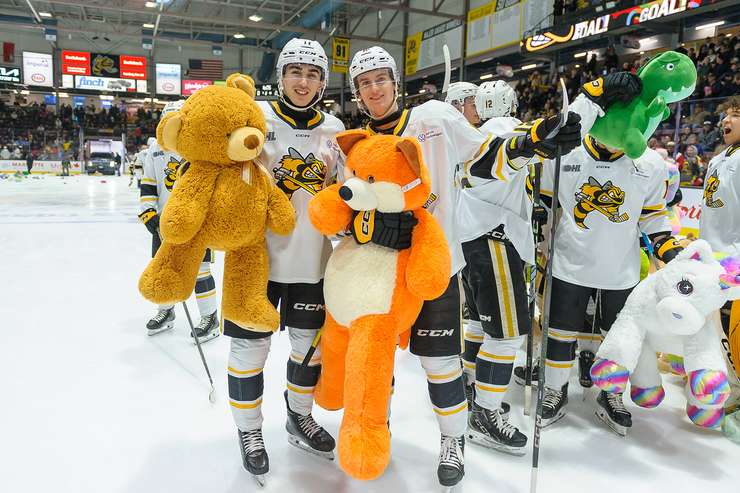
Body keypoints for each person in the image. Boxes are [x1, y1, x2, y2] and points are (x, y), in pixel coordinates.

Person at [348, 45, 581, 488]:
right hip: (378, 272)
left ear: (396, 82)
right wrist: (368, 231)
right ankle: (379, 432)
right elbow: (343, 211)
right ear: (358, 93)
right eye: (365, 82)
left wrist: (533, 142)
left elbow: (482, 160)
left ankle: (453, 440)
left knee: (442, 364)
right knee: (377, 362)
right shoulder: (357, 143)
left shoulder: (434, 118)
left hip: (438, 267)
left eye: (381, 78)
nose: (375, 88)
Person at [530, 75, 685, 436]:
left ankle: (609, 393)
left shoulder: (649, 163)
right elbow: (545, 203)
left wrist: (670, 248)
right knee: (559, 332)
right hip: (569, 263)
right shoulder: (565, 152)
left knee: (617, 336)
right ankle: (555, 389)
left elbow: (653, 217)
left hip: (621, 269)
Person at [226, 38, 347, 482]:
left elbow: (342, 191)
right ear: (281, 76)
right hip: (255, 261)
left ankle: (299, 416)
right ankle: (250, 432)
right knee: (248, 352)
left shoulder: (334, 128)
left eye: (313, 73)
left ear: (322, 82)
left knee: (307, 353)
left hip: (312, 262)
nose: (303, 81)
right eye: (295, 71)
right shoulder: (255, 117)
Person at [138, 107, 219, 342]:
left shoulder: (199, 148)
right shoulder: (155, 150)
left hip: (196, 223)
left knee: (200, 271)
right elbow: (148, 184)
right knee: (164, 267)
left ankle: (210, 317)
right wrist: (149, 214)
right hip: (163, 222)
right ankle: (166, 311)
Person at [699, 95, 740, 419]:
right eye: (725, 115)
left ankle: (733, 386)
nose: (726, 120)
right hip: (711, 252)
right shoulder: (719, 158)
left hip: (734, 256)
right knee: (709, 322)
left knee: (728, 325)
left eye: (735, 115)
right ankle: (715, 378)